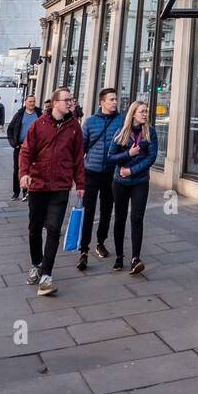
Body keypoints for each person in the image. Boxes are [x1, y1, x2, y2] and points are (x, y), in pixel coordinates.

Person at [18, 86, 85, 297]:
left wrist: (80, 184)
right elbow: (26, 151)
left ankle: (47, 275)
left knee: (54, 229)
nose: (70, 103)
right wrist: (24, 174)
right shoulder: (39, 125)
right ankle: (36, 263)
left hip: (60, 185)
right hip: (38, 184)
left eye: (71, 100)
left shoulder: (74, 127)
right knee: (34, 228)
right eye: (66, 100)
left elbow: (78, 158)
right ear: (55, 103)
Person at [107, 101, 158, 275]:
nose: (145, 114)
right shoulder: (122, 132)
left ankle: (135, 258)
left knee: (137, 219)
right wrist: (128, 154)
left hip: (140, 181)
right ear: (133, 113)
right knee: (120, 219)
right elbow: (111, 157)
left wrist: (131, 170)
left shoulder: (150, 133)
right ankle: (119, 257)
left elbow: (151, 158)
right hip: (120, 182)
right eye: (142, 111)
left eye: (146, 111)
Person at [76, 87, 123, 271]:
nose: (114, 102)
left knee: (106, 210)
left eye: (115, 99)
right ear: (102, 102)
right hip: (91, 172)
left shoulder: (121, 121)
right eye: (111, 99)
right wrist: (78, 176)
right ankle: (84, 249)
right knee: (88, 211)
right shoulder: (90, 122)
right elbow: (82, 148)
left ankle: (100, 242)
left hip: (111, 173)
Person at [6, 93, 40, 200]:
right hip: (20, 147)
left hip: (34, 148)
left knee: (30, 169)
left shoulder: (39, 114)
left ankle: (26, 192)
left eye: (34, 101)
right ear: (25, 102)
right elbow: (10, 129)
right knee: (17, 169)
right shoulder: (19, 115)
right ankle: (16, 192)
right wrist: (13, 143)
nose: (32, 103)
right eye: (30, 101)